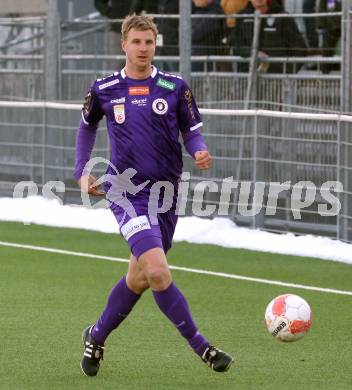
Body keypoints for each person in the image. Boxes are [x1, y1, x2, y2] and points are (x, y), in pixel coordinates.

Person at [74, 14, 234, 377]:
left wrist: (200, 150)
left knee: (140, 278)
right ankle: (203, 348)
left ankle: (96, 336)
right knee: (159, 272)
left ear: (156, 44)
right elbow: (86, 129)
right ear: (124, 45)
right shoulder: (104, 88)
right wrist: (82, 171)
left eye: (149, 42)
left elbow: (191, 131)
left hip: (166, 194)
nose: (143, 48)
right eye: (137, 42)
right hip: (126, 191)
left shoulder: (174, 86)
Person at [231, 0, 308, 73]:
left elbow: (300, 49)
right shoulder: (242, 17)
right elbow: (236, 45)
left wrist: (287, 72)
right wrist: (253, 53)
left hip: (276, 79)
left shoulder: (282, 17)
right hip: (247, 77)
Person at [191, 0, 225, 71]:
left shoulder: (214, 14)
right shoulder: (196, 11)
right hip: (195, 56)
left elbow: (196, 33)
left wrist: (186, 33)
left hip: (205, 57)